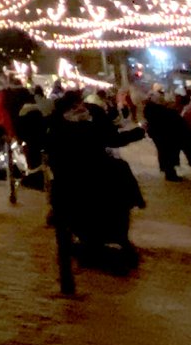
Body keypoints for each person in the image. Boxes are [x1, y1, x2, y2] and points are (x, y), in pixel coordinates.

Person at [46, 89, 144, 270]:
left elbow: (111, 138)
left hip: (91, 174)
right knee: (97, 206)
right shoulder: (60, 124)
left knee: (112, 203)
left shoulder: (90, 116)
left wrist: (137, 133)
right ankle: (96, 241)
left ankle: (107, 239)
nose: (80, 107)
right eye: (76, 104)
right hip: (79, 177)